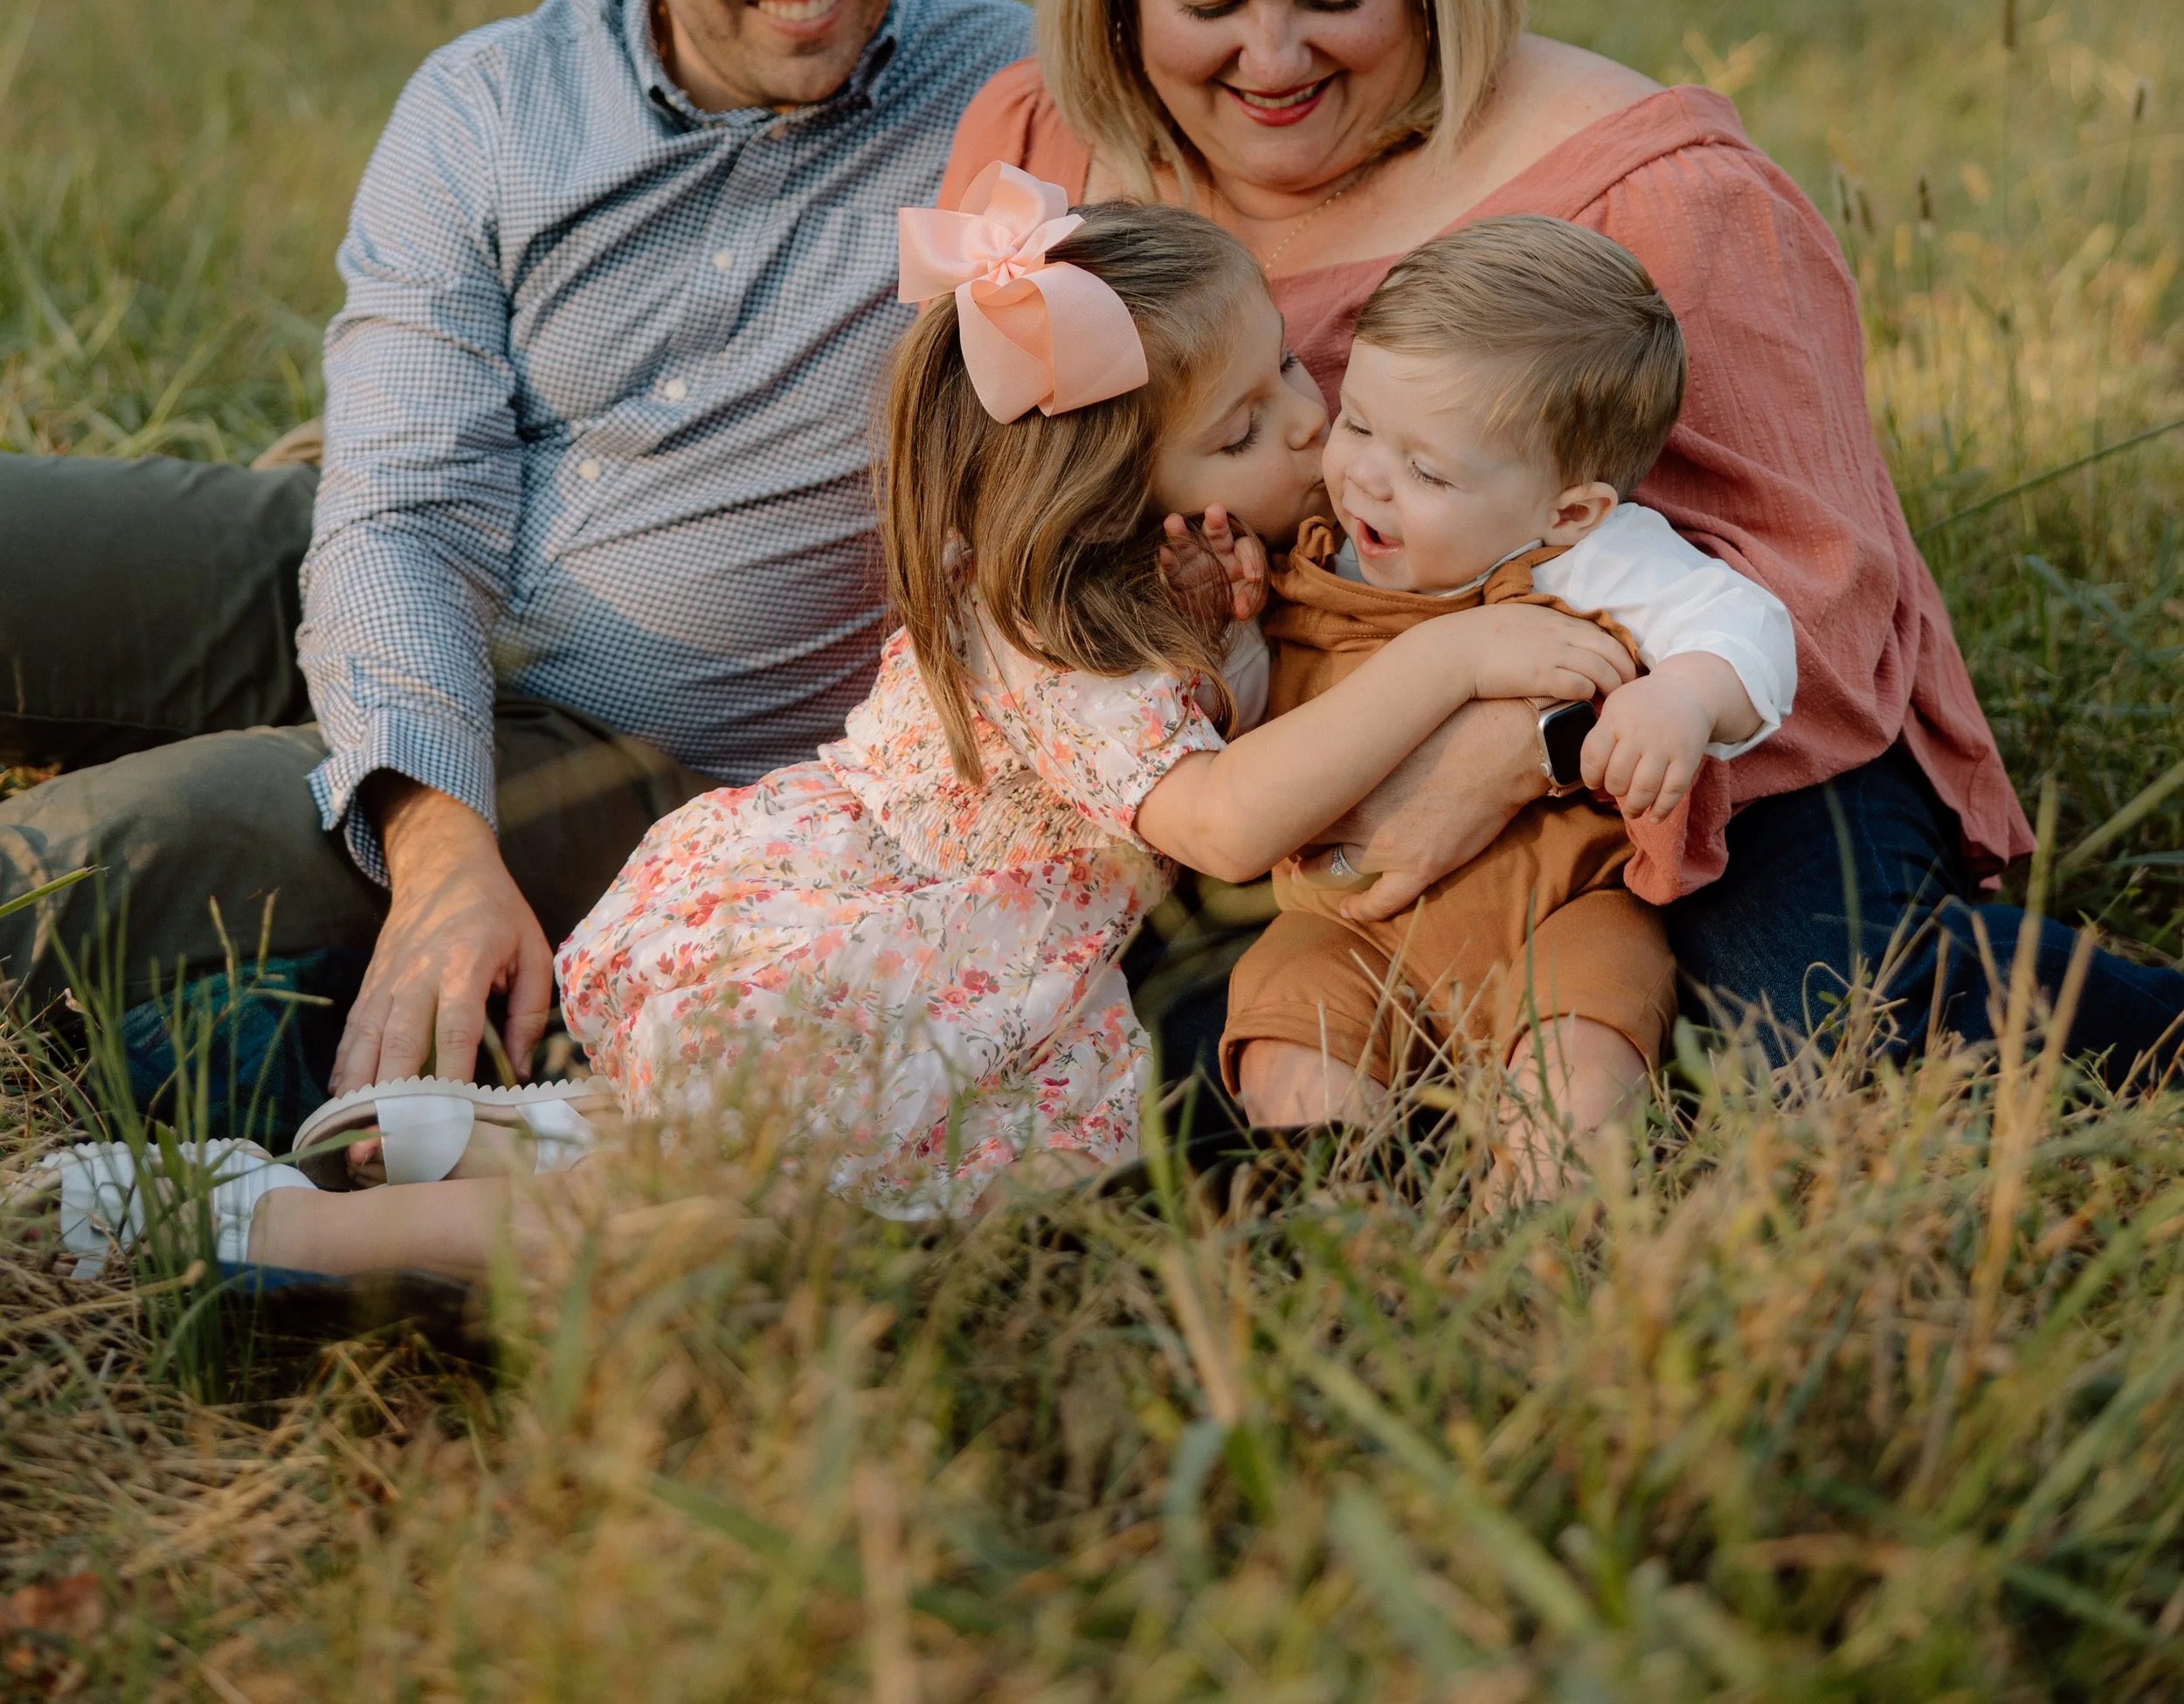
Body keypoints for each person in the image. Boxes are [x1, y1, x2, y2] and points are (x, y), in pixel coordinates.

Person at [46, 176, 1659, 1278]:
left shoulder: (1127, 586)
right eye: (1250, 426)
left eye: (1290, 383)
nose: (1310, 427)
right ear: (1108, 499)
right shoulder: (1057, 645)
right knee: (720, 1219)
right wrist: (1455, 667)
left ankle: (476, 1140)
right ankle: (260, 1230)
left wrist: (1233, 627)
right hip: (882, 962)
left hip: (880, 929)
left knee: (701, 1165)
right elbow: (1229, 823)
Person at [942, 0, 2184, 1077]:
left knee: (1811, 1027)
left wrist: (1515, 745)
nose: (1272, 57)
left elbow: (1823, 592)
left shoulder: (1655, 191)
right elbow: (979, 508)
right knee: (1122, 1070)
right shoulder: (1039, 156)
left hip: (1673, 725)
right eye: (1208, 1)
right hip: (1231, 765)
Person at [0, 0, 1031, 1102]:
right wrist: (438, 852)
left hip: (653, 752)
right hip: (420, 574)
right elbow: (404, 511)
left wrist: (452, 852)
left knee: (82, 865)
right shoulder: (492, 103)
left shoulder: (1022, 107)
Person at [1222, 218, 1794, 1170]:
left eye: (1427, 469)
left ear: (1566, 509)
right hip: (1351, 927)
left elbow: (1747, 628)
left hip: (1563, 917)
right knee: (1293, 1032)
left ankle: (1537, 1227)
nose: (1366, 474)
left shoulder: (1589, 557)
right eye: (1357, 422)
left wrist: (1686, 699)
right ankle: (1335, 1221)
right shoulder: (1320, 544)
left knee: (1583, 1052)